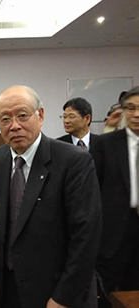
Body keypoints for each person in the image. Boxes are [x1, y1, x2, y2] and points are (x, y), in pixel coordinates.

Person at [0, 85, 101, 308]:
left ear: (40, 115)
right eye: (5, 119)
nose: (15, 125)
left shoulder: (73, 161)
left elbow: (86, 236)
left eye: (22, 115)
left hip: (57, 292)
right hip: (9, 290)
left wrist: (63, 297)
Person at [90, 86, 139, 300]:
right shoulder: (105, 143)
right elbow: (92, 190)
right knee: (112, 293)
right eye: (131, 108)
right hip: (115, 233)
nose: (136, 114)